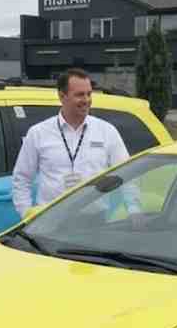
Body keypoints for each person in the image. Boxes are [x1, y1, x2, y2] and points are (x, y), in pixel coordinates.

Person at [11, 68, 138, 218]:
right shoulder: (38, 133)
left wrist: (134, 210)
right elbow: (21, 179)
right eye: (79, 95)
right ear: (62, 96)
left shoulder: (107, 131)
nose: (86, 100)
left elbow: (125, 174)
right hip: (50, 219)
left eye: (89, 94)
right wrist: (26, 213)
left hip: (93, 219)